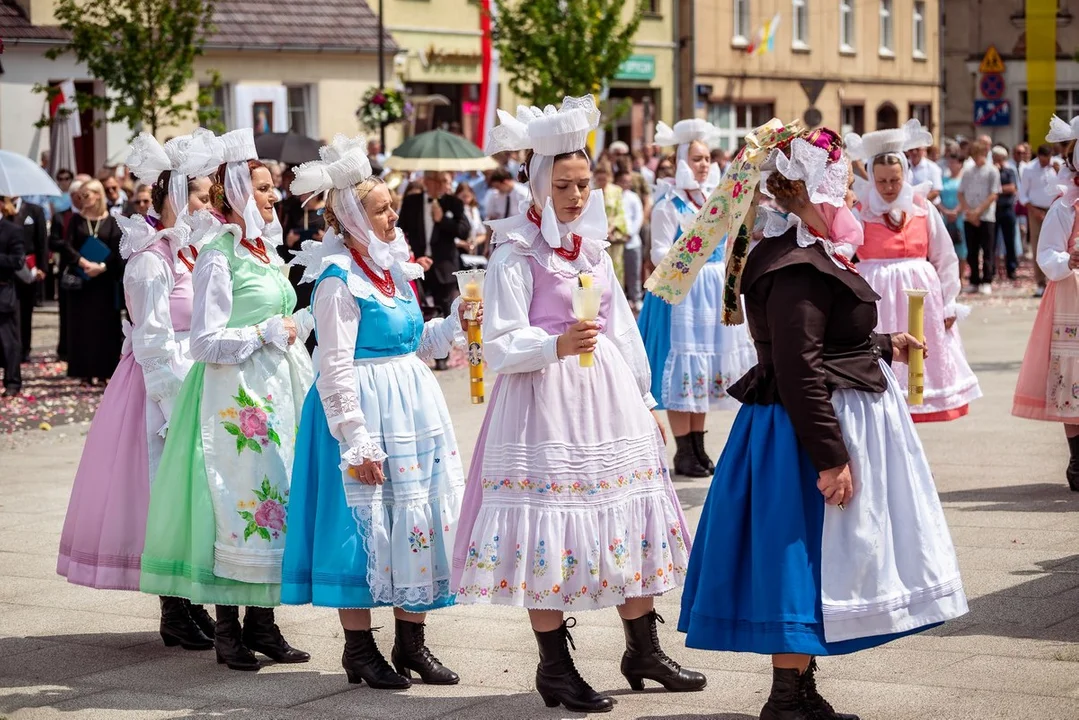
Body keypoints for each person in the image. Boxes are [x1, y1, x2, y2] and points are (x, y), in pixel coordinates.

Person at [674, 123, 967, 720]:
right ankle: (787, 698)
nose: (852, 199)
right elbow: (799, 365)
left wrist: (884, 344)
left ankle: (799, 691)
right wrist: (831, 457)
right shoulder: (795, 263)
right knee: (800, 556)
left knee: (811, 558)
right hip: (800, 431)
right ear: (810, 192)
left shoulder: (807, 253)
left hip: (807, 421)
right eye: (841, 187)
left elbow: (823, 341)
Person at [453, 96, 706, 714]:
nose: (573, 195)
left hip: (606, 397)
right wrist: (555, 343)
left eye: (582, 183)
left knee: (624, 518)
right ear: (537, 187)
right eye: (562, 184)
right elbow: (499, 342)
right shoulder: (516, 253)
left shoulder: (592, 249)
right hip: (544, 403)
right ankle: (556, 668)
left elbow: (621, 326)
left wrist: (645, 396)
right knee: (551, 525)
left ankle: (642, 648)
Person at [283, 137, 471, 689]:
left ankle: (411, 643)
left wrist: (458, 318)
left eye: (392, 206)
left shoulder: (393, 269)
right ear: (349, 218)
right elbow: (334, 366)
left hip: (411, 406)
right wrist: (355, 441)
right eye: (381, 208)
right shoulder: (338, 280)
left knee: (414, 520)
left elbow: (415, 342)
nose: (394, 215)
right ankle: (359, 649)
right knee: (361, 524)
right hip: (363, 411)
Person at [139, 128, 314, 671]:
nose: (272, 197)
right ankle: (229, 630)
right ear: (237, 191)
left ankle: (263, 622)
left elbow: (279, 313)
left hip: (275, 390)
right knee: (237, 502)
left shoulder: (263, 250)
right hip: (232, 399)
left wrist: (298, 323)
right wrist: (267, 332)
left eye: (273, 189)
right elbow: (205, 340)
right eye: (263, 188)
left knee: (275, 501)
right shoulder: (218, 254)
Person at [57, 131, 221, 649]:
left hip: (194, 374)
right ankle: (174, 609)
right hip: (160, 386)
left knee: (192, 496)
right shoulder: (150, 259)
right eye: (197, 194)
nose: (205, 203)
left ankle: (190, 603)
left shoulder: (189, 252)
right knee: (162, 493)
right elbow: (151, 339)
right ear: (174, 196)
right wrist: (174, 404)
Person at [637, 119, 756, 477]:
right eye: (696, 158)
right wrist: (689, 257)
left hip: (712, 290)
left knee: (703, 368)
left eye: (706, 158)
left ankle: (699, 448)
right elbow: (658, 252)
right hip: (682, 292)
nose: (704, 164)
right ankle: (683, 450)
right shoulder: (668, 204)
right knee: (684, 367)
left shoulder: (715, 200)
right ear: (683, 161)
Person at [847, 122, 982, 422]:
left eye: (894, 180)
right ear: (871, 178)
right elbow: (843, 253)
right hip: (878, 296)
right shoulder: (861, 212)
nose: (888, 187)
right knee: (882, 365)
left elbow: (945, 258)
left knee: (918, 371)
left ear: (905, 175)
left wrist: (949, 301)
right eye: (881, 181)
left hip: (918, 300)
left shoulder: (922, 209)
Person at [1014, 116, 1079, 489]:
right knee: (1072, 378)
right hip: (1072, 294)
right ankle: (1077, 459)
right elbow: (1047, 253)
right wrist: (1068, 261)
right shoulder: (1065, 207)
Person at [61, 179, 124, 383]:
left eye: (86, 195)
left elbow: (118, 251)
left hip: (104, 284)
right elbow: (67, 246)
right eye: (80, 196)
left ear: (98, 195)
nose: (82, 199)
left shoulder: (113, 222)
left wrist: (102, 267)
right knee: (82, 327)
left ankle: (105, 371)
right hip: (82, 282)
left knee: (105, 327)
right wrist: (82, 261)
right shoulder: (76, 220)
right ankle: (84, 371)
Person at [399, 171, 471, 321]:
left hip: (444, 267)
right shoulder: (412, 201)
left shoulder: (453, 203)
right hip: (418, 265)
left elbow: (464, 231)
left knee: (447, 313)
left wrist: (443, 220)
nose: (440, 185)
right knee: (418, 310)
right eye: (435, 180)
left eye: (443, 181)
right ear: (426, 181)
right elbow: (400, 230)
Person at [958, 140, 1001, 295]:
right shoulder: (968, 171)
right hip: (969, 216)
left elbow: (994, 194)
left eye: (979, 155)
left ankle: (987, 280)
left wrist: (978, 211)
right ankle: (974, 280)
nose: (976, 158)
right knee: (972, 250)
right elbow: (961, 193)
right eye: (974, 155)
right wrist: (969, 212)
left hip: (986, 216)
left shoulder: (992, 171)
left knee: (987, 249)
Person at [1020, 144, 1059, 298]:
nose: (1045, 163)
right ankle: (1040, 283)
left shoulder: (1058, 165)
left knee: (1056, 244)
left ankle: (1054, 280)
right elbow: (1023, 194)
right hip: (1035, 210)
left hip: (1055, 210)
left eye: (1047, 160)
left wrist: (1058, 171)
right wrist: (1034, 211)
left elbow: (1066, 186)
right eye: (1043, 160)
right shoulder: (1029, 168)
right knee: (1038, 246)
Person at [12, 196, 47, 363]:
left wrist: (42, 267)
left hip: (29, 267)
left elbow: (42, 241)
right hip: (7, 268)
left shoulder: (34, 210)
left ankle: (24, 349)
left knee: (25, 311)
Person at [0, 200, 25, 396]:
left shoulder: (12, 230)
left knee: (8, 340)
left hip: (3, 292)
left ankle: (12, 381)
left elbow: (18, 261)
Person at [618, 166, 645, 310]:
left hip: (632, 241)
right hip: (616, 241)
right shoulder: (613, 196)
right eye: (622, 181)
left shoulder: (633, 197)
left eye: (628, 181)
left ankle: (636, 297)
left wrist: (630, 233)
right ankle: (624, 299)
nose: (625, 184)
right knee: (619, 273)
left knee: (634, 272)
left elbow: (638, 217)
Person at [941, 151, 968, 284]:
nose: (951, 165)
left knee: (961, 247)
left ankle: (961, 276)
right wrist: (945, 211)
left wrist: (956, 211)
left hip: (960, 217)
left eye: (954, 162)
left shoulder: (964, 180)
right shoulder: (944, 179)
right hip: (945, 216)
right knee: (947, 247)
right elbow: (938, 197)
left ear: (960, 164)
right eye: (949, 162)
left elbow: (966, 198)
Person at [993, 145, 1020, 280]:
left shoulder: (1009, 171)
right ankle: (991, 270)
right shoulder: (991, 171)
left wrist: (997, 189)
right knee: (991, 242)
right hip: (994, 210)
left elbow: (1012, 188)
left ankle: (1011, 268)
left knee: (1010, 240)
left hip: (1007, 210)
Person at [456, 181, 487, 257]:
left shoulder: (474, 210)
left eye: (468, 196)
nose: (466, 199)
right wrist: (464, 244)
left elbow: (482, 233)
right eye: (463, 196)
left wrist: (474, 242)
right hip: (458, 251)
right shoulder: (455, 211)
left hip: (473, 251)